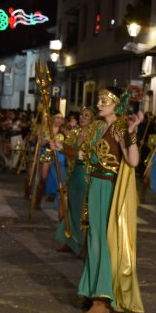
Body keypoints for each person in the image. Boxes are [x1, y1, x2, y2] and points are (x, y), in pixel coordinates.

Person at [52, 86, 144, 313]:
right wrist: (62, 148)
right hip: (92, 185)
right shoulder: (95, 127)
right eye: (99, 100)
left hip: (108, 188)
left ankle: (102, 300)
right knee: (92, 240)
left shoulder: (120, 126)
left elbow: (133, 161)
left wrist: (132, 133)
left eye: (105, 100)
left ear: (117, 104)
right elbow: (83, 155)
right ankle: (92, 290)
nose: (100, 104)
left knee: (100, 242)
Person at [54, 107, 94, 255]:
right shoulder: (75, 133)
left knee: (82, 211)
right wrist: (59, 144)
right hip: (74, 174)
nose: (83, 118)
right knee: (67, 207)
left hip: (86, 174)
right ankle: (70, 241)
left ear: (92, 120)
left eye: (87, 116)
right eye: (82, 115)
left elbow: (86, 155)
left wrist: (65, 149)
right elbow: (67, 149)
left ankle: (82, 245)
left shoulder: (94, 135)